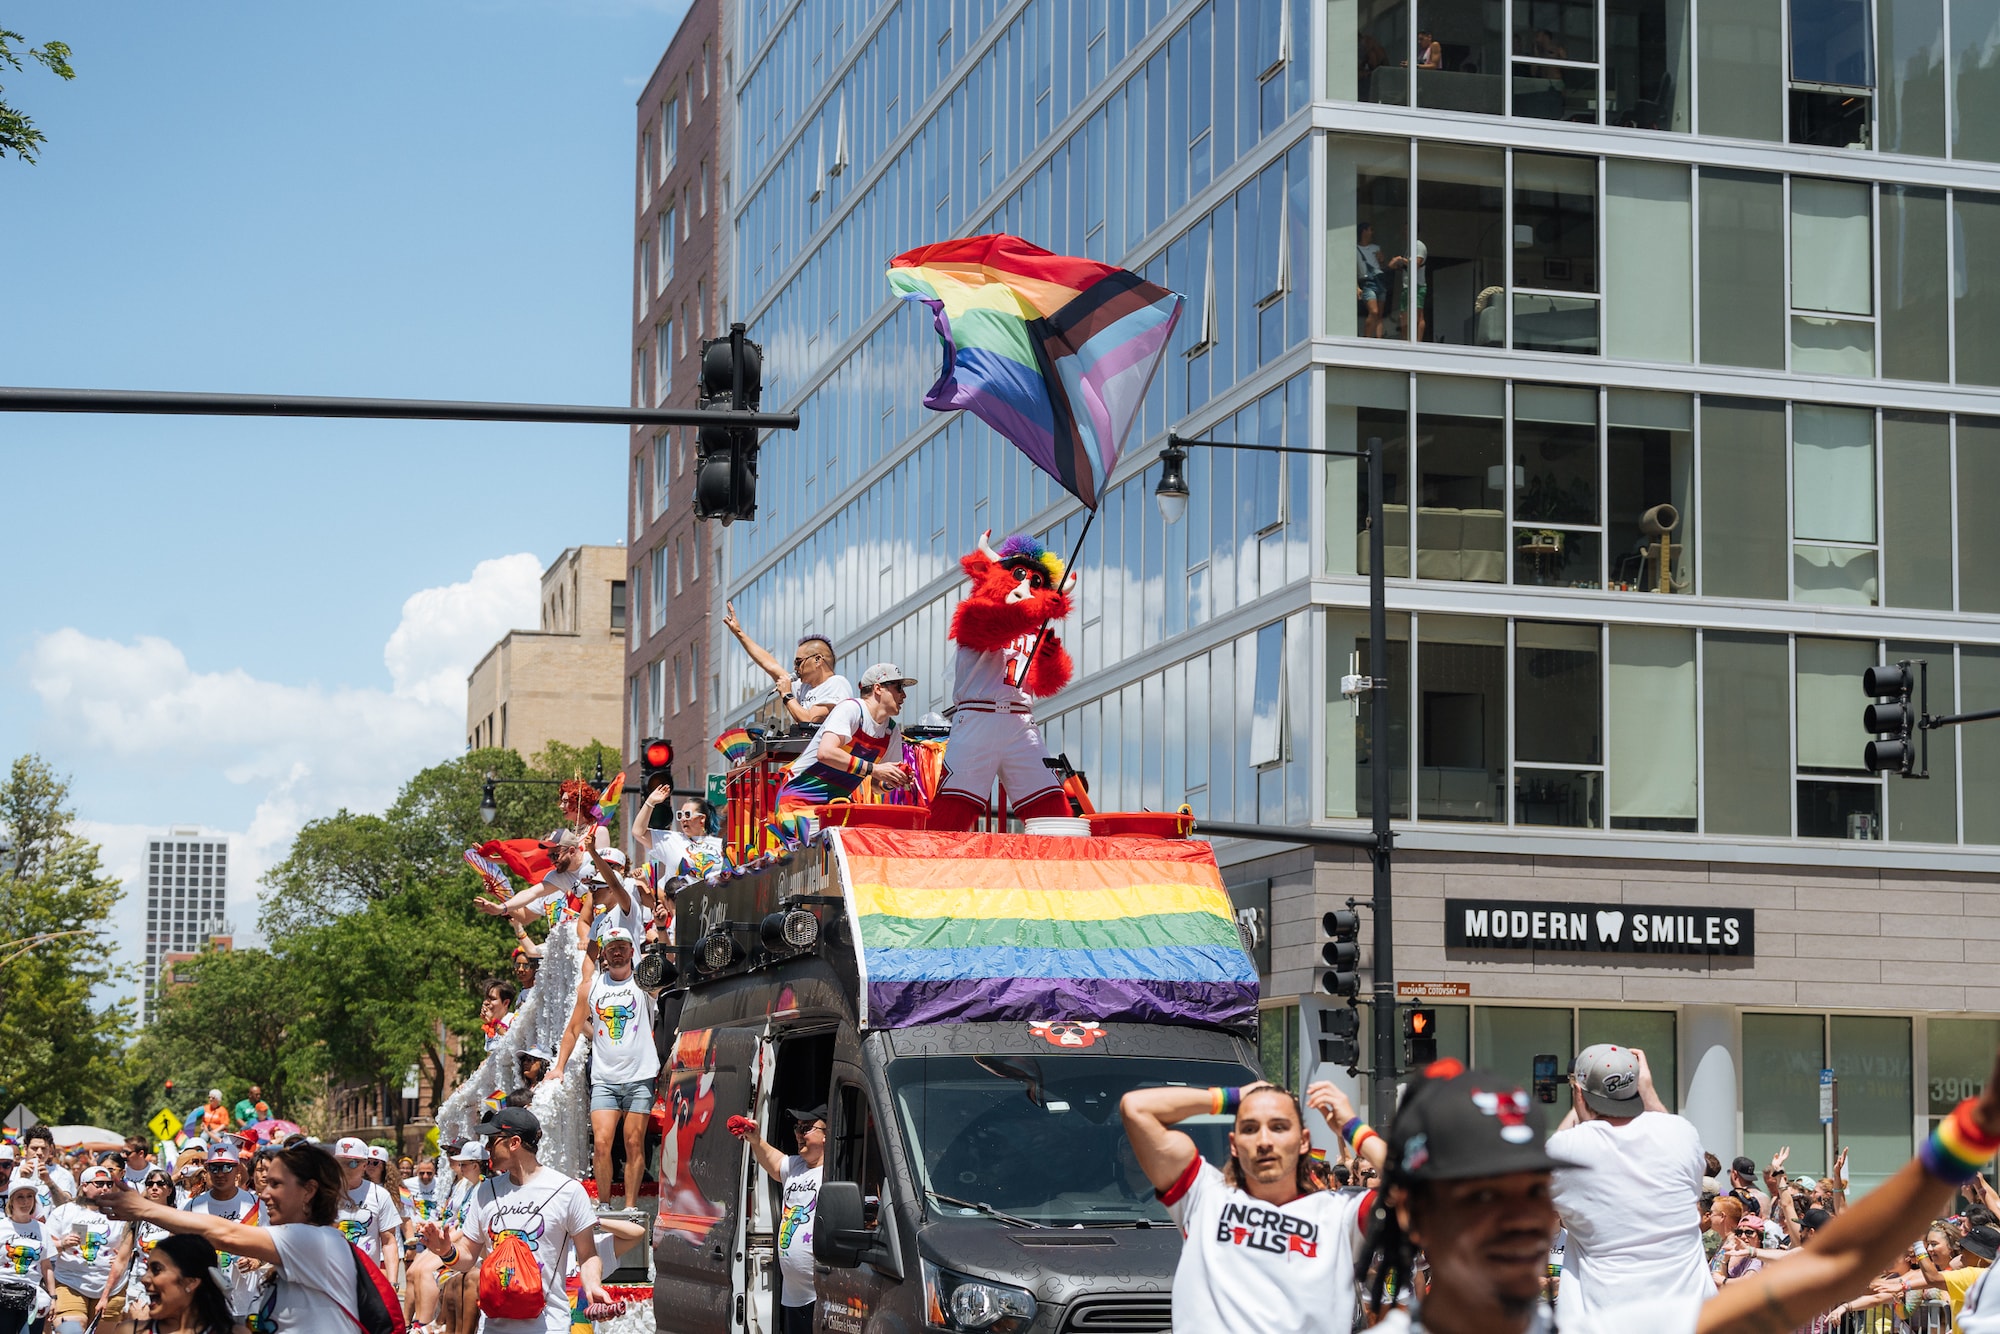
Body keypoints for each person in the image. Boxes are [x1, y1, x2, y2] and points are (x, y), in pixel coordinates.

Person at [1354, 1046, 2000, 1334]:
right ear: (1414, 1215)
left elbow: (1838, 1262)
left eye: (1533, 1192)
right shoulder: (1676, 1137)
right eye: (1482, 1197)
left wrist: (1975, 1130)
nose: (1523, 1218)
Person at [1120, 1078, 1384, 1333]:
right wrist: (1232, 1098)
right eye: (1249, 1128)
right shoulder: (1204, 1195)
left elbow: (1418, 1186)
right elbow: (1136, 1108)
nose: (1264, 1141)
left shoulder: (1340, 1214)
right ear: (1234, 1144)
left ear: (1304, 1141)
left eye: (1279, 1127)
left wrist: (1353, 1127)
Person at [104, 1140, 366, 1328]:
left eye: (276, 1184)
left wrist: (145, 1209)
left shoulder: (317, 1241)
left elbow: (226, 1235)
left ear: (309, 1190)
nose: (264, 1193)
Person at [1546, 1045, 1712, 1324]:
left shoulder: (1568, 1148)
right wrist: (1646, 1089)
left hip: (1606, 1321)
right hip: (1692, 1320)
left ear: (1578, 1094)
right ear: (1638, 1087)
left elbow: (1537, 1178)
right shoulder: (1681, 1134)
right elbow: (1666, 1126)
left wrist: (1581, 1106)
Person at [419, 1107, 612, 1334]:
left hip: (548, 1327)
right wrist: (446, 1251)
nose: (487, 1148)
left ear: (514, 1142)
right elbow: (468, 1257)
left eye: (492, 1140)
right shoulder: (486, 1191)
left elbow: (588, 1255)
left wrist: (593, 1286)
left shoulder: (567, 1190)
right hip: (493, 1326)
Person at [550, 926, 660, 1213]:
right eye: (612, 947)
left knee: (634, 1141)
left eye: (622, 945)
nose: (617, 951)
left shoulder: (644, 981)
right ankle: (604, 1203)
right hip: (605, 1078)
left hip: (639, 1075)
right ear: (604, 953)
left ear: (632, 950)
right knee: (602, 1143)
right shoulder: (591, 987)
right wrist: (559, 1067)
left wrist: (660, 928)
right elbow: (574, 1029)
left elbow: (667, 971)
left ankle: (631, 1207)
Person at [730, 1105, 828, 1334]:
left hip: (821, 1295)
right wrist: (755, 1139)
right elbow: (774, 1161)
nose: (798, 1134)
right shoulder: (795, 1166)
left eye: (806, 1128)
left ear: (826, 1135)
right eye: (797, 1127)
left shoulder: (833, 1173)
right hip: (793, 1296)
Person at [772, 664, 916, 816]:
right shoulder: (851, 709)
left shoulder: (891, 731)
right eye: (899, 688)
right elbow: (826, 752)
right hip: (797, 802)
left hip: (833, 807)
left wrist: (893, 780)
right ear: (878, 688)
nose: (904, 695)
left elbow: (875, 786)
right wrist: (875, 769)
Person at [722, 606, 853, 732]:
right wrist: (739, 633)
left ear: (818, 660)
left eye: (799, 662)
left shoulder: (836, 683)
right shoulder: (804, 687)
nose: (795, 668)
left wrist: (787, 695)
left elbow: (809, 720)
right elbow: (770, 665)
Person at [45, 1165, 135, 1334]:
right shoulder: (65, 1211)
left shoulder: (120, 1213)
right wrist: (62, 1244)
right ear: (84, 1186)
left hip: (112, 1287)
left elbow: (133, 1246)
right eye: (99, 1184)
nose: (105, 1188)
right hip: (70, 1282)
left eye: (109, 1184)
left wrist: (125, 1256)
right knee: (71, 1331)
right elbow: (45, 1247)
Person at [184, 1143, 255, 1309]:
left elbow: (273, 1246)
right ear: (207, 1170)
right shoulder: (193, 1206)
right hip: (206, 1301)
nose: (220, 1173)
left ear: (237, 1170)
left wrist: (257, 1260)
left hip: (245, 1300)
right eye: (214, 1168)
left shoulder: (255, 1205)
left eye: (227, 1167)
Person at [331, 1137, 401, 1287]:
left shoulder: (379, 1195)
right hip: (330, 1277)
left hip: (366, 1278)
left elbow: (388, 1242)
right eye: (340, 1162)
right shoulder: (323, 1192)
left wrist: (393, 1282)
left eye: (352, 1163)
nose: (345, 1168)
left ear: (364, 1165)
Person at [134, 1233, 235, 1334]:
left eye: (156, 1269)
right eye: (147, 1269)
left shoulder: (233, 1332)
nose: (144, 1279)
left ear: (190, 1282)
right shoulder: (130, 1330)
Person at [0, 1172, 51, 1334]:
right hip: (2, 1294)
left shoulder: (42, 1229)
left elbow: (46, 1266)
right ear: (11, 1201)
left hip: (33, 1297)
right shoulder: (1, 1227)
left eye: (30, 1196)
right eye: (20, 1197)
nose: (25, 1201)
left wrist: (54, 1297)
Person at [639, 790, 723, 878]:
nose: (683, 819)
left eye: (687, 815)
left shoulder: (720, 844)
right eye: (680, 815)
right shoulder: (671, 839)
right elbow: (639, 832)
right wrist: (650, 802)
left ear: (702, 818)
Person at [22, 1127, 74, 1209]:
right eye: (34, 1148)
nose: (39, 1152)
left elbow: (66, 1205)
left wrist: (49, 1182)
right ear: (25, 1149)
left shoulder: (61, 1174)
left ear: (50, 1150)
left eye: (43, 1148)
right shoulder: (12, 1170)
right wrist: (21, 1179)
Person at [1358, 220, 1392, 338]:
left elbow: (1382, 267)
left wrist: (1382, 260)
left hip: (1380, 281)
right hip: (1367, 282)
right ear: (1364, 231)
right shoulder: (1356, 249)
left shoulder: (1376, 248)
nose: (1372, 233)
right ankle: (1367, 338)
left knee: (1380, 315)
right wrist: (1356, 287)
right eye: (1370, 230)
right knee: (1374, 311)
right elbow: (1352, 269)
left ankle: (1379, 339)